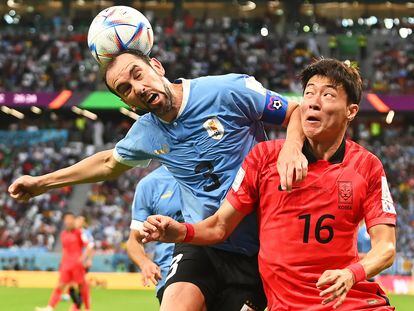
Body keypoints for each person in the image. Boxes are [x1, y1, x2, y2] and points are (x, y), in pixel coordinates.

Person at [10, 49, 307, 311]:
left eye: (138, 74)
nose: (137, 88)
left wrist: (292, 149)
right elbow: (108, 162)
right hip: (201, 242)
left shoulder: (226, 90)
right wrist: (40, 183)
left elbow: (294, 110)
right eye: (125, 89)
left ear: (157, 66)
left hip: (260, 248)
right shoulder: (146, 132)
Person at [142, 59, 397, 310]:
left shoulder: (367, 166)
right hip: (288, 305)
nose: (314, 103)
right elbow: (220, 226)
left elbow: (386, 247)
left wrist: (351, 274)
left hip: (351, 301)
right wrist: (179, 231)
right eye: (309, 93)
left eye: (328, 95)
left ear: (351, 111)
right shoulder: (263, 158)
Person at [126, 165, 183, 304]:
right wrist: (144, 263)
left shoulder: (212, 169)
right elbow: (133, 240)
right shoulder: (149, 184)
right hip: (170, 270)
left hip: (219, 265)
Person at [35, 212, 94, 311]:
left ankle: (86, 308)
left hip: (77, 265)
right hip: (66, 265)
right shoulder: (63, 234)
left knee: (81, 286)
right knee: (62, 286)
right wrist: (62, 262)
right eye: (66, 219)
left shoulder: (81, 232)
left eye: (70, 219)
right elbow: (65, 250)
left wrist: (85, 259)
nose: (68, 221)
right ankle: (50, 307)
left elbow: (89, 246)